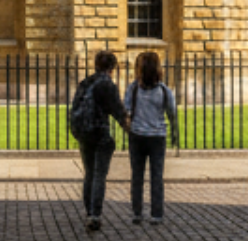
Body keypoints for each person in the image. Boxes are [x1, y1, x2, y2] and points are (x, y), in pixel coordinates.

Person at [72, 50, 130, 232]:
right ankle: (95, 215)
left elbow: (74, 108)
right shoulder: (107, 84)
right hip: (100, 133)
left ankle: (89, 211)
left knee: (89, 174)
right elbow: (118, 112)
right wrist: (131, 131)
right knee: (99, 175)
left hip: (83, 133)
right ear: (112, 68)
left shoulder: (85, 83)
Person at [124, 51, 179, 225]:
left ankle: (137, 213)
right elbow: (172, 113)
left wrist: (128, 129)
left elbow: (126, 111)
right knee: (157, 177)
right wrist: (175, 134)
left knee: (137, 177)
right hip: (157, 137)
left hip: (137, 136)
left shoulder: (132, 88)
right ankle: (156, 214)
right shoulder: (164, 90)